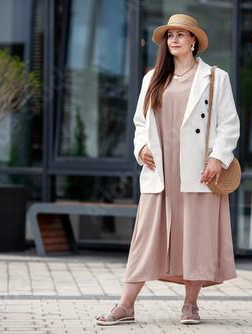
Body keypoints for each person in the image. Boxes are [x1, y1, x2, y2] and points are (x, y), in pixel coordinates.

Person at [96, 14, 240, 326]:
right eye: (169, 35)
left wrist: (218, 158)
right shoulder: (152, 79)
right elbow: (139, 124)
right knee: (146, 239)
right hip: (160, 172)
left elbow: (229, 125)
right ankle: (125, 305)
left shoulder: (216, 78)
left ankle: (190, 304)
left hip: (199, 172)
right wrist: (141, 148)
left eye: (181, 34)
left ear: (193, 41)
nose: (174, 40)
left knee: (196, 240)